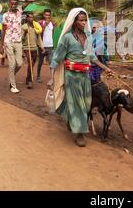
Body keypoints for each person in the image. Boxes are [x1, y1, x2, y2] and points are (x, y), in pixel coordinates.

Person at [47, 8, 113, 147]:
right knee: (77, 103)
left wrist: (106, 68)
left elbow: (92, 58)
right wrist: (51, 77)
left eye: (85, 20)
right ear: (74, 22)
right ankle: (80, 134)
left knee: (86, 104)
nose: (84, 23)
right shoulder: (67, 38)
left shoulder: (88, 37)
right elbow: (57, 58)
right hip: (71, 76)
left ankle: (72, 120)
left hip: (85, 76)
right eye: (81, 20)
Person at [0, 0, 23, 94]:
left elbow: (29, 1)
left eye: (15, 4)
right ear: (9, 4)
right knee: (12, 64)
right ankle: (13, 85)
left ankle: (11, 77)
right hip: (8, 41)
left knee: (20, 63)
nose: (13, 6)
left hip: (18, 41)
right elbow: (3, 30)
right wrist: (1, 45)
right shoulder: (5, 15)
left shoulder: (20, 12)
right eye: (12, 4)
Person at [22, 12, 45, 89]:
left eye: (32, 17)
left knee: (32, 64)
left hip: (34, 48)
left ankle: (27, 78)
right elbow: (20, 39)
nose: (31, 19)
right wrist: (24, 33)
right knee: (30, 63)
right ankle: (29, 81)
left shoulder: (36, 27)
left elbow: (39, 39)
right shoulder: (24, 27)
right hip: (26, 48)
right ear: (27, 18)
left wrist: (42, 47)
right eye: (30, 17)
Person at [37, 9, 55, 83]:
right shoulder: (40, 22)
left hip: (50, 46)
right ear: (43, 15)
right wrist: (44, 25)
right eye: (46, 15)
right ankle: (38, 76)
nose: (47, 16)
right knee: (40, 62)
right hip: (42, 46)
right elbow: (39, 33)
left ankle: (52, 78)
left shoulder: (52, 23)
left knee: (52, 62)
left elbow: (52, 33)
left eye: (49, 15)